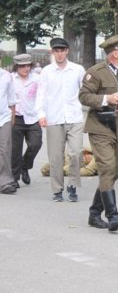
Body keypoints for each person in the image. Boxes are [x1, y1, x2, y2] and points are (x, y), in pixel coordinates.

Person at [78, 34, 118, 231]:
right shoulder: (96, 72)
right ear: (114, 54)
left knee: (115, 172)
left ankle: (94, 212)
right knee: (107, 168)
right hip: (100, 125)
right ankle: (113, 215)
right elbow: (83, 96)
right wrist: (106, 98)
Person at [35, 37, 85, 202]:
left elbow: (85, 91)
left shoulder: (77, 70)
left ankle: (72, 184)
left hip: (74, 116)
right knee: (56, 157)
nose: (59, 54)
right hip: (54, 117)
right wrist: (41, 114)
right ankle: (57, 189)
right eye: (56, 51)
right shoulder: (47, 71)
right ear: (53, 52)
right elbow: (41, 94)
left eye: (62, 50)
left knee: (76, 152)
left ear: (67, 51)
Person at [11, 53, 43, 187]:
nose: (26, 69)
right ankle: (14, 177)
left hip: (33, 117)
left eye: (28, 66)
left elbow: (43, 96)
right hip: (15, 117)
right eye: (22, 66)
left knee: (36, 144)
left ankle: (25, 165)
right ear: (16, 67)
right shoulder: (10, 79)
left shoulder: (37, 79)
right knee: (14, 150)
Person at [0, 59, 17, 194]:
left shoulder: (6, 76)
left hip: (3, 117)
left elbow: (11, 99)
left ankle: (5, 181)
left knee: (5, 149)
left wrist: (12, 117)